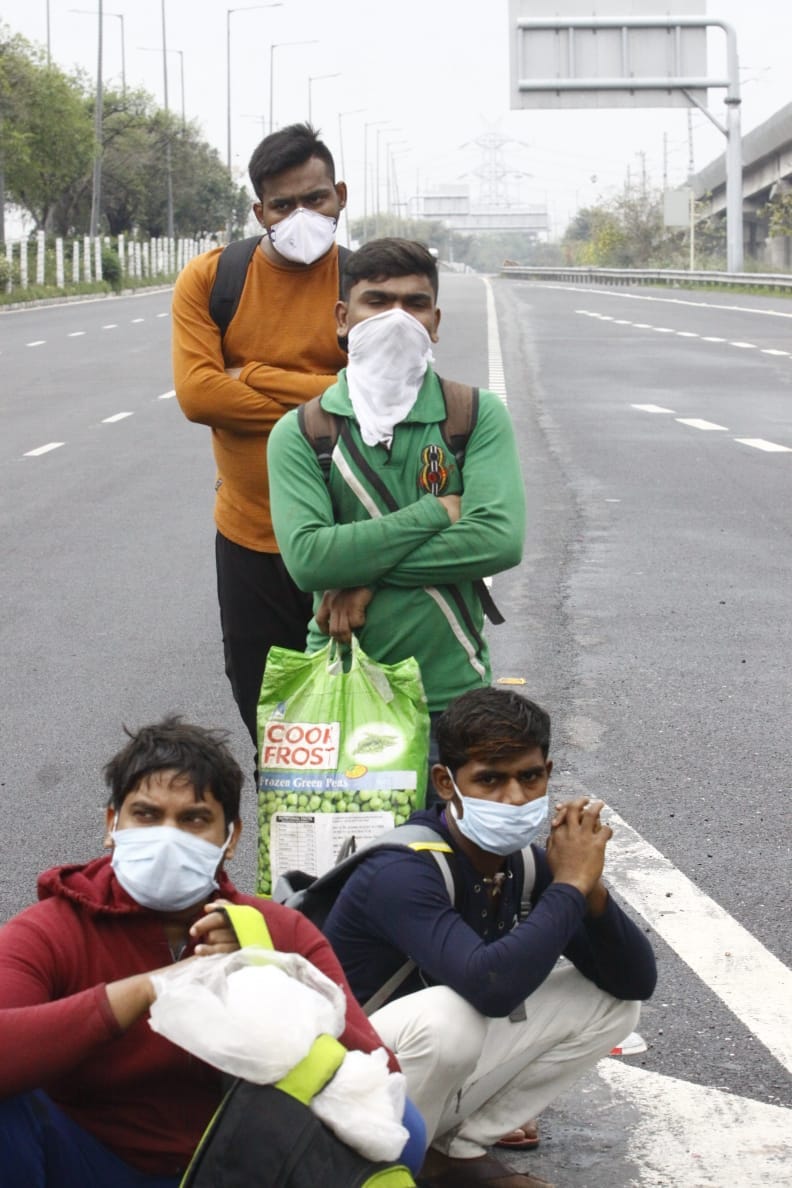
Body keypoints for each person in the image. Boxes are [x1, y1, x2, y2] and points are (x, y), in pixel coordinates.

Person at [0, 717, 424, 1186]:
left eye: (194, 820)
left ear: (231, 838)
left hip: (238, 1165)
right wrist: (152, 988)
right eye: (146, 815)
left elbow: (379, 1073)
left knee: (404, 1124)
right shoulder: (53, 929)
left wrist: (264, 973)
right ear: (112, 824)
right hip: (92, 1162)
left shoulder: (276, 931)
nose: (168, 835)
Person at [322, 687, 658, 1188]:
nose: (515, 797)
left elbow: (633, 980)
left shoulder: (521, 862)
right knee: (447, 1018)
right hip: (337, 1088)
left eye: (530, 776)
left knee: (609, 1003)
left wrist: (591, 893)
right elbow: (492, 987)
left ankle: (451, 1154)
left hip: (412, 1069)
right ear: (445, 782)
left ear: (548, 771)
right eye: (490, 780)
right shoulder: (401, 871)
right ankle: (377, 1167)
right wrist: (568, 885)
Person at [266, 237, 526, 747]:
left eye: (415, 304)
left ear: (435, 322)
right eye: (378, 302)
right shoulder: (301, 432)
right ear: (343, 317)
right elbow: (310, 561)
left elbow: (498, 541)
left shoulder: (473, 417)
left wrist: (363, 579)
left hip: (453, 698)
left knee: (450, 830)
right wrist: (437, 511)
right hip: (338, 695)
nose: (398, 317)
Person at [172, 123, 349, 749]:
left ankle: (369, 849)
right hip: (249, 538)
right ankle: (292, 843)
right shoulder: (213, 281)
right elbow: (198, 395)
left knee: (365, 730)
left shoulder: (367, 286)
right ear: (260, 211)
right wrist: (330, 391)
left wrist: (258, 375)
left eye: (317, 197)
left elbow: (385, 407)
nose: (302, 214)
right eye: (283, 204)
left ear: (341, 196)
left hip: (351, 544)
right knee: (272, 727)